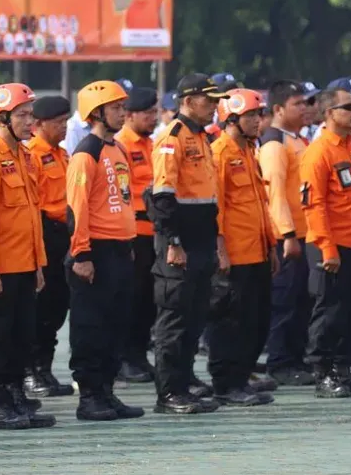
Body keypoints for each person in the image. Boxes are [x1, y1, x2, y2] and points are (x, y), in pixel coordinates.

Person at [0, 84, 56, 430]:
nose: (30, 121)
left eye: (30, 114)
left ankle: (17, 398)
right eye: (22, 115)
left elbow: (32, 215)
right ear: (1, 118)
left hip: (24, 265)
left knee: (22, 336)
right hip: (0, 268)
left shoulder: (25, 155)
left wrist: (38, 264)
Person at [147, 74, 229, 413]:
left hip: (202, 241)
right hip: (179, 243)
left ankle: (183, 386)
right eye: (208, 100)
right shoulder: (173, 137)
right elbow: (163, 196)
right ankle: (168, 394)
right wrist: (174, 241)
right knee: (174, 319)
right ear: (188, 101)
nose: (214, 107)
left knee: (194, 318)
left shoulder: (202, 137)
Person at [65, 80, 144, 421]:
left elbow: (123, 200)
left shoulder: (118, 149)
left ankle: (107, 392)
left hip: (120, 250)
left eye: (123, 107)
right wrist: (81, 255)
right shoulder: (87, 152)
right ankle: (90, 397)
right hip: (94, 251)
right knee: (91, 326)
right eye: (115, 108)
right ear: (96, 113)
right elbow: (76, 207)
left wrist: (129, 243)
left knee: (116, 324)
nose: (123, 113)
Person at [299, 88, 351, 398]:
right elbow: (314, 205)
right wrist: (327, 247)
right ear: (329, 113)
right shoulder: (319, 152)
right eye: (348, 107)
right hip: (331, 245)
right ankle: (323, 373)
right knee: (329, 312)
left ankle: (344, 370)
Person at [209, 88, 277, 406]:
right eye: (251, 116)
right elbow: (217, 208)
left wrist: (271, 246)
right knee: (231, 321)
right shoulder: (220, 153)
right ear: (232, 119)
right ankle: (226, 383)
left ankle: (242, 377)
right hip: (235, 254)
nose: (258, 120)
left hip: (257, 251)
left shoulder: (250, 151)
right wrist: (221, 249)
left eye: (259, 115)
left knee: (256, 320)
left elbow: (261, 204)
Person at [258, 80, 315, 386]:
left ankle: (296, 358)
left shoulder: (298, 140)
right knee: (285, 301)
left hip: (306, 232)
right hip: (288, 236)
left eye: (306, 103)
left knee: (301, 301)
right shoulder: (275, 143)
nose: (305, 108)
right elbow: (275, 193)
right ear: (278, 109)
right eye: (298, 104)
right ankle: (280, 362)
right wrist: (287, 234)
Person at [23, 96, 75, 397]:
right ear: (39, 124)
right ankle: (31, 370)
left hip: (64, 234)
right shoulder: (31, 154)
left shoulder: (63, 154)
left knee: (57, 306)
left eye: (66, 121)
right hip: (44, 231)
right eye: (58, 123)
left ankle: (44, 368)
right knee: (40, 306)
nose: (64, 127)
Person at [115, 88, 158, 383]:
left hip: (155, 233)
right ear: (129, 116)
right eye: (147, 113)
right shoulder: (121, 147)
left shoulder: (152, 145)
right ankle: (125, 358)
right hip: (134, 234)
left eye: (155, 112)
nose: (153, 118)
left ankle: (139, 355)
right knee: (132, 299)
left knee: (149, 300)